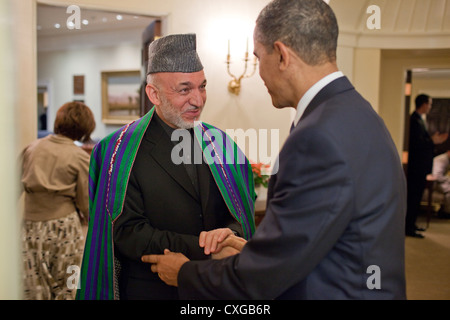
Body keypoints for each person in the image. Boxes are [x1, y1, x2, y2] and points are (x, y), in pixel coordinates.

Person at [143, 0, 407, 300]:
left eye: (257, 58)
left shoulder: (316, 138)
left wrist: (185, 274)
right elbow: (316, 238)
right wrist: (247, 249)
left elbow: (266, 277)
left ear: (281, 55)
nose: (258, 73)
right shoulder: (358, 112)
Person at [76, 34, 256, 300]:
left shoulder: (220, 143)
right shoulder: (118, 151)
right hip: (150, 289)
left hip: (214, 288)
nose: (198, 100)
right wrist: (205, 248)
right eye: (184, 90)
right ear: (154, 94)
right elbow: (126, 232)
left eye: (202, 86)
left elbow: (241, 207)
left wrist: (229, 234)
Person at [21, 101, 95, 300]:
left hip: (29, 227)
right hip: (64, 230)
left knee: (32, 285)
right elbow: (86, 202)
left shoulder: (31, 148)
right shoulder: (79, 157)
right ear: (85, 128)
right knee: (68, 284)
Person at [405, 94, 448, 238]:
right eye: (429, 104)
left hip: (420, 168)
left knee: (416, 198)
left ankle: (412, 224)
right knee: (413, 198)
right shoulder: (414, 120)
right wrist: (432, 141)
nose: (430, 107)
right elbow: (417, 144)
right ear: (423, 104)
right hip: (415, 168)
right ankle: (408, 227)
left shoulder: (420, 120)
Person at [432, 149, 450, 219]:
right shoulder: (442, 159)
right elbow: (437, 176)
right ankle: (446, 212)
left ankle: (444, 210)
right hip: (434, 182)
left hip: (440, 181)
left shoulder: (447, 159)